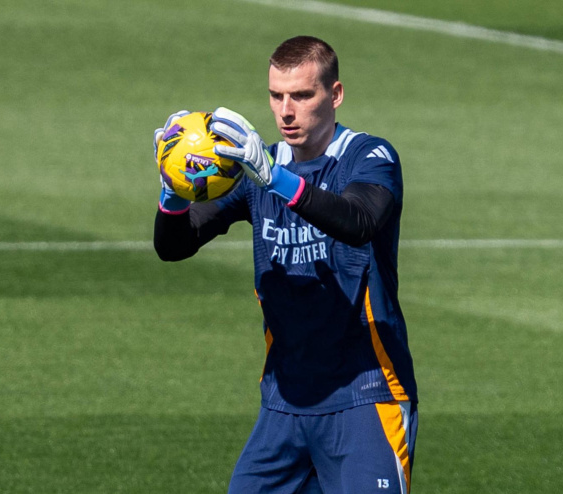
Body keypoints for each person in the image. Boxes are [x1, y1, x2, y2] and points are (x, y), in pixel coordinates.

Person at [152, 35, 418, 494]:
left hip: (366, 397)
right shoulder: (257, 169)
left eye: (301, 95)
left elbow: (357, 221)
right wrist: (174, 193)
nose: (286, 112)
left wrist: (277, 179)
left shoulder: (369, 157)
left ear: (334, 95)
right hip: (283, 404)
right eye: (276, 96)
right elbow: (175, 245)